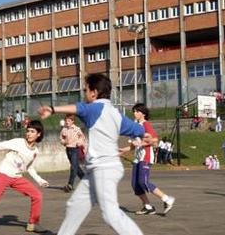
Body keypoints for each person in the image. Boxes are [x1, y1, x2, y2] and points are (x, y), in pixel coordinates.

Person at [37, 73, 146, 235]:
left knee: (111, 214)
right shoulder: (115, 113)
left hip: (104, 168)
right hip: (98, 170)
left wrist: (53, 109)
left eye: (85, 90)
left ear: (94, 93)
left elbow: (78, 108)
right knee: (75, 205)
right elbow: (138, 129)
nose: (84, 93)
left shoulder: (96, 108)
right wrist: (146, 135)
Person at [0, 121, 49, 233]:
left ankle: (33, 224)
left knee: (37, 195)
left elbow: (29, 167)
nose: (29, 134)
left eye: (32, 131)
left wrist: (40, 180)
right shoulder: (18, 142)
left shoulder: (35, 151)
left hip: (17, 177)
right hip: (4, 174)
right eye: (28, 131)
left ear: (38, 134)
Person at [120, 104, 175, 216]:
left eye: (136, 111)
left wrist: (141, 143)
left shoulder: (146, 125)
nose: (134, 113)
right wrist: (121, 151)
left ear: (143, 113)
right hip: (137, 158)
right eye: (134, 111)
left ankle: (167, 199)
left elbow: (154, 140)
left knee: (143, 182)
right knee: (135, 185)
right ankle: (148, 206)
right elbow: (132, 146)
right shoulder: (135, 126)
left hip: (146, 157)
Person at [59, 114, 86, 192]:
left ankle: (70, 185)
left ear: (72, 121)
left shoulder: (77, 129)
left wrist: (79, 142)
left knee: (73, 167)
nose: (67, 122)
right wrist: (64, 142)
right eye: (66, 120)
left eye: (69, 121)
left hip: (75, 149)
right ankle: (87, 181)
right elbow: (61, 138)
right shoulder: (64, 129)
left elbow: (82, 138)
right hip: (68, 149)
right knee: (76, 167)